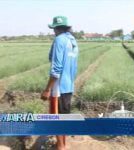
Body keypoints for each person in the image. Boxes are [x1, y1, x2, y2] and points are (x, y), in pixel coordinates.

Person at [41, 16, 78, 150]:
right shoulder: (72, 40)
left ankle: (61, 146)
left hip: (58, 88)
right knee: (64, 116)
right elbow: (74, 66)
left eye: (54, 29)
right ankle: (62, 143)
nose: (53, 32)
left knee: (56, 117)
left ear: (57, 28)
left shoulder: (59, 40)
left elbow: (56, 68)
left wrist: (47, 89)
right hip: (69, 86)